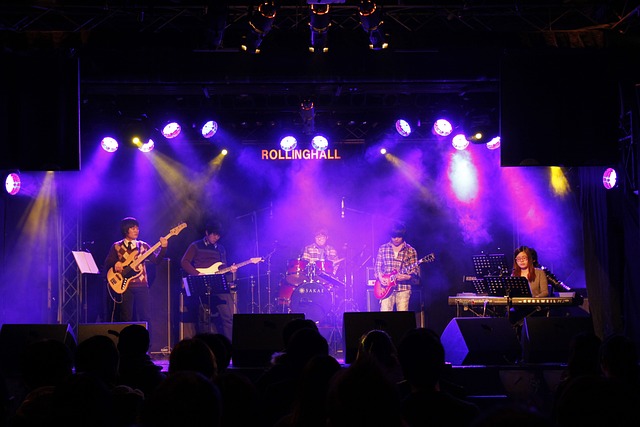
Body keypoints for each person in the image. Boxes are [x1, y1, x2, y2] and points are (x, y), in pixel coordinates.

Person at [103, 216, 168, 324]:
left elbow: (156, 261)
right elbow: (107, 263)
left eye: (137, 228)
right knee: (125, 317)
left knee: (145, 316)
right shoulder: (117, 246)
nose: (136, 231)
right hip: (124, 286)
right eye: (133, 228)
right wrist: (115, 264)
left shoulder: (143, 246)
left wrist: (164, 248)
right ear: (125, 230)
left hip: (142, 286)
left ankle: (145, 335)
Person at [180, 220, 237, 340]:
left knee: (228, 316)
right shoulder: (195, 245)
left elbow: (222, 267)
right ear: (207, 233)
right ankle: (205, 344)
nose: (216, 237)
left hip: (218, 283)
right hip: (202, 283)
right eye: (214, 234)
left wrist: (230, 270)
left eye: (218, 235)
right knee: (204, 318)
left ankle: (230, 344)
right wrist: (197, 274)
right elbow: (184, 262)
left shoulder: (221, 249)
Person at [374, 222, 420, 312]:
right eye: (393, 236)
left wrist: (407, 277)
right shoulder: (383, 248)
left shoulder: (410, 250)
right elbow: (377, 267)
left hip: (403, 288)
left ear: (403, 236)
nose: (396, 239)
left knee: (402, 317)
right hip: (385, 288)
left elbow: (415, 271)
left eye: (399, 237)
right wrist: (380, 277)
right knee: (385, 315)